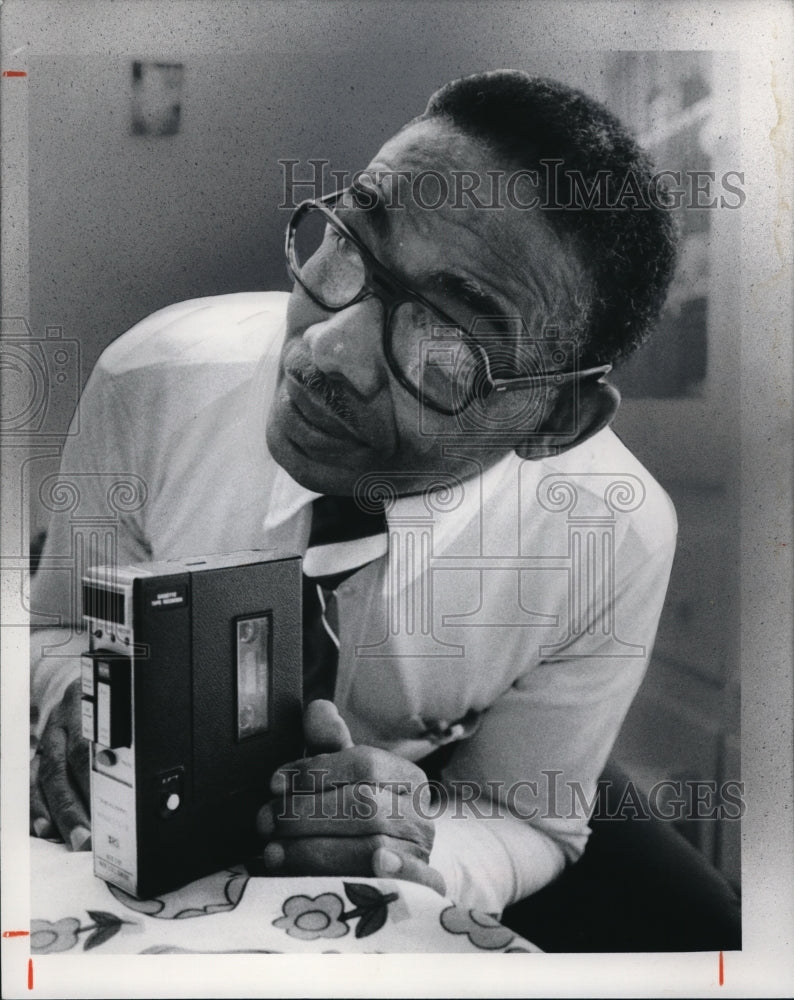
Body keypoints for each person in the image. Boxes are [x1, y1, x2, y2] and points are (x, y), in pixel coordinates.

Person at [29, 70, 678, 917]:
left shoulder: (613, 535)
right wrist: (63, 693)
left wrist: (426, 849)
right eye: (351, 240)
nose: (326, 352)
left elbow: (527, 816)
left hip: (443, 787)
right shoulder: (148, 379)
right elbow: (53, 627)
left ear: (558, 416)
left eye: (446, 332)